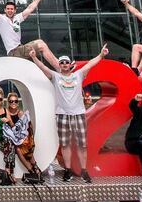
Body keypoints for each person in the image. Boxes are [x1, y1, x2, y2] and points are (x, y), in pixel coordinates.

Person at [30, 45, 108, 183]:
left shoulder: (78, 75)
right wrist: (34, 57)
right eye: (62, 63)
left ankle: (84, 171)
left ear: (70, 64)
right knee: (65, 144)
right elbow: (43, 68)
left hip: (78, 114)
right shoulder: (55, 76)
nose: (64, 64)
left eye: (66, 62)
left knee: (82, 144)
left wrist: (101, 55)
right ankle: (68, 170)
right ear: (59, 65)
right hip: (62, 115)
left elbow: (90, 63)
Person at [0, 0, 59, 68]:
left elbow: (30, 8)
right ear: (5, 10)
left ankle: (58, 67)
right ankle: (59, 67)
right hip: (14, 52)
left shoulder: (17, 18)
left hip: (20, 49)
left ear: (15, 10)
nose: (10, 11)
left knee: (36, 63)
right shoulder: (1, 19)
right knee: (41, 44)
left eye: (12, 9)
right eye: (8, 9)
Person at [6, 92, 40, 177]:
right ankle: (31, 168)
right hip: (13, 137)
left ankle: (34, 167)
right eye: (11, 101)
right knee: (18, 148)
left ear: (18, 102)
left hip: (22, 137)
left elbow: (28, 126)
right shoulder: (6, 113)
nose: (13, 103)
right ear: (8, 102)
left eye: (15, 101)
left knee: (24, 145)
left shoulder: (20, 113)